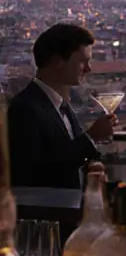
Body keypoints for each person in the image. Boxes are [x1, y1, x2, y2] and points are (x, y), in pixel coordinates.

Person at [7, 23, 116, 189]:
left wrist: (89, 168)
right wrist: (91, 138)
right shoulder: (24, 109)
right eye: (82, 61)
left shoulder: (61, 105)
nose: (89, 69)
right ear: (57, 61)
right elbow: (34, 172)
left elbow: (64, 157)